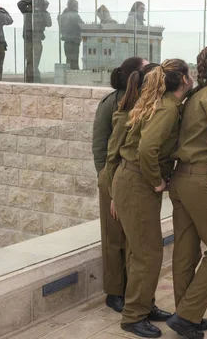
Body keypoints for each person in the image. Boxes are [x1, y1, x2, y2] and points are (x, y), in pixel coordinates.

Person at [112, 59, 192, 338]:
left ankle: (143, 306)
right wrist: (157, 180)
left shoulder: (164, 104)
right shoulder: (168, 108)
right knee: (148, 253)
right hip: (137, 182)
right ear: (183, 79)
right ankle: (133, 316)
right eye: (189, 74)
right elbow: (146, 149)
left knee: (140, 251)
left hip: (132, 180)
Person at [166, 45, 207, 339]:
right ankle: (186, 315)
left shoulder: (194, 96)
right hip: (200, 180)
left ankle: (186, 315)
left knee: (185, 250)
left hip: (180, 179)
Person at [92, 56, 148, 315]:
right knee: (114, 238)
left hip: (132, 180)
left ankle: (133, 291)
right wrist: (111, 187)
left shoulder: (143, 102)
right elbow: (101, 149)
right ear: (133, 75)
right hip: (111, 178)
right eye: (145, 68)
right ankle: (115, 292)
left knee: (132, 240)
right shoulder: (111, 104)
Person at [17, 0, 52, 83]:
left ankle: (32, 80)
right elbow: (49, 24)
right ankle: (34, 80)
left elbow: (49, 23)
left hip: (32, 39)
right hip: (34, 39)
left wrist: (33, 0)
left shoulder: (30, 11)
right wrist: (34, 0)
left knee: (31, 62)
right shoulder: (32, 11)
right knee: (32, 62)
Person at [59, 0, 84, 70]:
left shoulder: (63, 15)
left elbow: (61, 29)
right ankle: (74, 78)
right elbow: (82, 26)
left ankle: (68, 76)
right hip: (74, 41)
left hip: (66, 41)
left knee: (68, 60)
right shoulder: (75, 15)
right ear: (74, 6)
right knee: (74, 61)